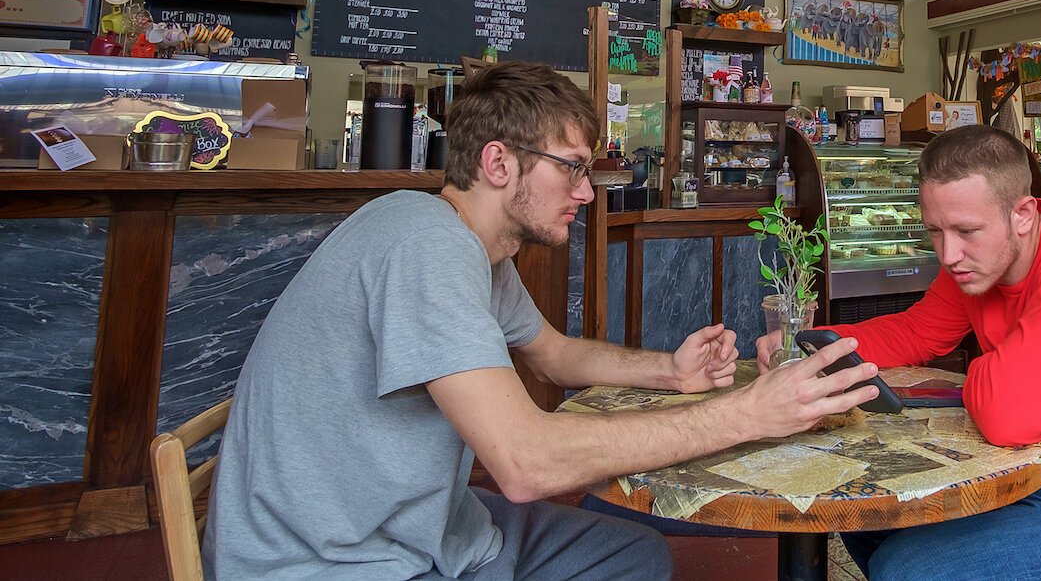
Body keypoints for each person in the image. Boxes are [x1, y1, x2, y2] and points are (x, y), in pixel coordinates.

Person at [204, 61, 880, 581]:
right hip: (337, 560)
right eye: (573, 169)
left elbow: (553, 354)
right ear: (498, 162)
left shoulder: (472, 248)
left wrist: (669, 372)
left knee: (635, 555)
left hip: (423, 525)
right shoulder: (424, 245)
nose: (587, 192)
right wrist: (746, 414)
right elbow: (524, 463)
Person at [759, 125, 1041, 581]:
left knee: (908, 571)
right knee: (871, 517)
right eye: (935, 231)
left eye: (965, 231)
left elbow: (1008, 416)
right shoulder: (978, 264)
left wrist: (986, 367)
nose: (948, 254)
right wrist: (810, 345)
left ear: (1022, 214)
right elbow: (917, 331)